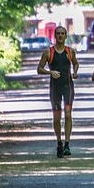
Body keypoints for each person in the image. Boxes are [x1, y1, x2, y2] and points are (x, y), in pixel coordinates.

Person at [37, 26, 79, 157]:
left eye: (63, 33)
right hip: (55, 88)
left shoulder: (70, 51)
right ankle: (59, 143)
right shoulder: (48, 52)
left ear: (66, 36)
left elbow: (76, 63)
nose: (60, 36)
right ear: (55, 36)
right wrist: (50, 72)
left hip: (68, 87)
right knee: (56, 117)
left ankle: (67, 144)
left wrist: (75, 72)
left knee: (67, 114)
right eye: (58, 33)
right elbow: (39, 69)